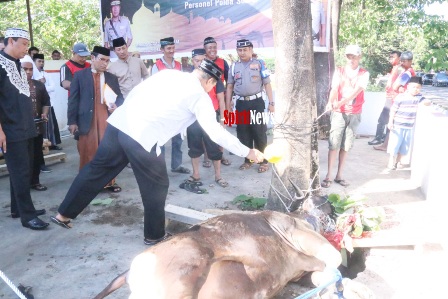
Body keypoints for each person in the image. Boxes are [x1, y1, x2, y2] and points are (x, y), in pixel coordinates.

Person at [50, 59, 264, 245]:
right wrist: (247, 151)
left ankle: (63, 214)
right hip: (143, 135)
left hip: (120, 124)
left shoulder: (169, 74)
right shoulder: (200, 96)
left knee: (96, 170)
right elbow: (216, 133)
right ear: (211, 82)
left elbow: (137, 91)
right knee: (157, 185)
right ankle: (154, 236)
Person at [0, 28, 49, 230]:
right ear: (11, 41)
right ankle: (27, 216)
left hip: (26, 126)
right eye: (24, 44)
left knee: (23, 170)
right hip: (11, 129)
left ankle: (18, 208)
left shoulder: (19, 65)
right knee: (20, 172)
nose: (26, 49)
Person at [67, 46, 124, 193]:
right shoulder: (80, 76)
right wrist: (72, 122)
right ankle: (87, 183)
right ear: (92, 58)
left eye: (107, 61)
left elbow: (120, 97)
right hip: (87, 120)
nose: (105, 63)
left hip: (106, 118)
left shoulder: (111, 77)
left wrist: (116, 106)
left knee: (108, 150)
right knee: (88, 151)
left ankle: (109, 182)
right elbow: (73, 100)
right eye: (102, 60)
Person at [321, 45, 370, 188]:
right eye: (349, 56)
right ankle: (328, 176)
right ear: (346, 57)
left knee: (346, 145)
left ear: (359, 57)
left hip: (354, 112)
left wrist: (341, 102)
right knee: (334, 144)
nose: (351, 59)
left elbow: (356, 91)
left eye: (354, 57)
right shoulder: (339, 71)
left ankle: (339, 175)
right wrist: (330, 102)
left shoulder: (364, 74)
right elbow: (334, 88)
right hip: (339, 113)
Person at [181, 49, 229, 193]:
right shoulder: (188, 79)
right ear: (192, 61)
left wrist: (223, 119)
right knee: (194, 148)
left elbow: (221, 100)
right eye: (197, 60)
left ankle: (218, 176)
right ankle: (196, 174)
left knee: (214, 147)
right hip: (193, 119)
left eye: (203, 60)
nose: (200, 63)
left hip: (210, 116)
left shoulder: (214, 77)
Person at [225, 39, 274, 173]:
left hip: (256, 103)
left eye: (245, 50)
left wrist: (271, 103)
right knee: (243, 133)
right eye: (239, 50)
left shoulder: (259, 64)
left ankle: (263, 161)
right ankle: (248, 160)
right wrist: (228, 105)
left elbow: (267, 84)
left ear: (251, 50)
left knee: (259, 132)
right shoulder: (234, 66)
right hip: (240, 103)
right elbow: (229, 87)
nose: (242, 53)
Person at [152, 37, 190, 174]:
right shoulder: (157, 66)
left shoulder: (179, 65)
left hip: (178, 106)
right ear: (162, 50)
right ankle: (159, 167)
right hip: (163, 106)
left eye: (173, 48)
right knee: (160, 138)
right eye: (168, 48)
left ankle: (177, 165)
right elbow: (154, 87)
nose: (171, 51)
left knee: (178, 138)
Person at [373, 51, 415, 151]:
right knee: (391, 123)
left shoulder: (408, 72)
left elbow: (395, 85)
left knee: (391, 123)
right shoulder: (405, 71)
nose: (402, 63)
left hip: (399, 101)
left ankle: (385, 145)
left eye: (404, 61)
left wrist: (398, 86)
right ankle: (385, 144)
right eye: (402, 61)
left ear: (410, 61)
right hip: (397, 99)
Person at [21, 55, 51, 191]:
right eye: (24, 69)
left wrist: (44, 113)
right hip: (20, 130)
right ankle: (23, 185)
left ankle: (35, 182)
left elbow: (46, 102)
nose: (28, 72)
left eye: (30, 69)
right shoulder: (12, 87)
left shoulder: (39, 85)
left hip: (37, 127)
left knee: (37, 156)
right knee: (23, 159)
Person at [387, 76, 430, 169]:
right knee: (395, 144)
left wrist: (427, 102)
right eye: (414, 87)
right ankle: (391, 161)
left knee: (404, 146)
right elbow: (393, 110)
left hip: (409, 127)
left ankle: (398, 162)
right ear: (408, 86)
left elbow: (426, 102)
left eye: (418, 87)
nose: (416, 89)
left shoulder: (419, 97)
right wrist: (390, 122)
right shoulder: (401, 97)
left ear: (420, 88)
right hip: (397, 126)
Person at [203, 36, 231, 167]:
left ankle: (220, 155)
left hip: (221, 101)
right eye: (209, 48)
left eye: (214, 47)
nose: (212, 50)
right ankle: (206, 157)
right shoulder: (200, 63)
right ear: (205, 49)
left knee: (222, 129)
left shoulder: (223, 62)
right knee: (205, 131)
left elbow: (229, 82)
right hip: (205, 103)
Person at [368, 50, 401, 146]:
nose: (391, 59)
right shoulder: (395, 68)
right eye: (390, 57)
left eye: (393, 57)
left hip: (393, 98)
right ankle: (383, 139)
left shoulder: (399, 69)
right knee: (386, 119)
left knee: (383, 119)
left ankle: (379, 138)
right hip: (390, 97)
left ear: (399, 58)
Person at [33, 53, 63, 154]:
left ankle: (53, 144)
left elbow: (53, 87)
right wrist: (42, 86)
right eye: (39, 61)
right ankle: (41, 146)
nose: (41, 63)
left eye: (42, 61)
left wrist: (42, 87)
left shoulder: (46, 74)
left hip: (48, 103)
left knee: (51, 126)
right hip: (36, 105)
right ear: (34, 62)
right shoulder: (31, 74)